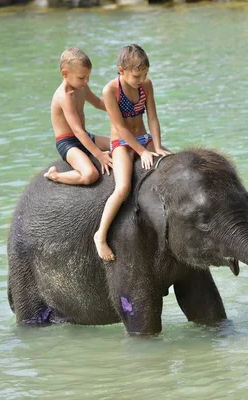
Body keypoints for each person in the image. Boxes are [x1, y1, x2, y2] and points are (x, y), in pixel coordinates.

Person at [94, 44, 170, 261]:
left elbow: (153, 117)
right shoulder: (110, 91)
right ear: (121, 70)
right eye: (137, 75)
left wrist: (156, 145)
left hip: (145, 138)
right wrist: (140, 151)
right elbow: (120, 127)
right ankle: (100, 235)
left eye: (145, 74)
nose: (141, 79)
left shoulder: (146, 85)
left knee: (171, 162)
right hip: (122, 142)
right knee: (123, 187)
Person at [44, 47, 113, 185]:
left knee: (118, 145)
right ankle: (55, 175)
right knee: (90, 175)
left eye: (88, 76)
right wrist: (99, 155)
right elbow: (77, 130)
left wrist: (118, 108)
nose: (86, 81)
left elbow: (98, 103)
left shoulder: (82, 87)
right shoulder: (64, 97)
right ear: (65, 73)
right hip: (68, 143)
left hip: (85, 136)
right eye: (82, 77)